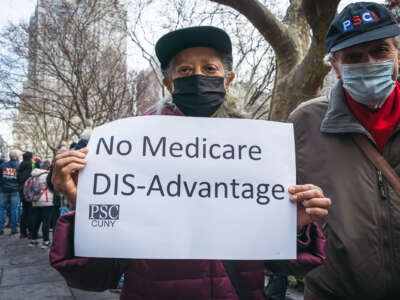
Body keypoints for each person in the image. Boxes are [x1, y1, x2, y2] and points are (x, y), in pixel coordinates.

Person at [50, 26, 331, 300]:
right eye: (185, 70)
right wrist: (86, 207)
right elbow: (94, 276)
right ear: (169, 83)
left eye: (209, 69)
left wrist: (293, 226)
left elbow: (284, 266)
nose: (197, 76)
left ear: (228, 79)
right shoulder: (130, 151)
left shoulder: (257, 152)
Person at [288, 2, 400, 299]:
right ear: (335, 66)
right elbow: (281, 219)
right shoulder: (304, 123)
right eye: (353, 57)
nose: (370, 62)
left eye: (381, 51)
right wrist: (297, 231)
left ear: (397, 55)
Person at [29, 159, 54, 249]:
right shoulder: (47, 175)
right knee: (46, 222)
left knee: (36, 220)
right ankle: (46, 241)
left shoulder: (33, 174)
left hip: (35, 200)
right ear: (48, 166)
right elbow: (52, 187)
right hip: (47, 201)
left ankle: (33, 240)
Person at [0, 150, 20, 235]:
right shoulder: (19, 166)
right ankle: (14, 228)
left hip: (4, 190)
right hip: (15, 190)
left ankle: (0, 228)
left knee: (2, 209)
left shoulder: (3, 165)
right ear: (16, 157)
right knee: (14, 210)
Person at [17, 151, 33, 239]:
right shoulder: (29, 166)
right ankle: (31, 232)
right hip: (28, 191)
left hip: (21, 190)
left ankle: (23, 233)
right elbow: (29, 179)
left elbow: (18, 178)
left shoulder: (20, 166)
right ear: (30, 158)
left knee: (24, 212)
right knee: (30, 212)